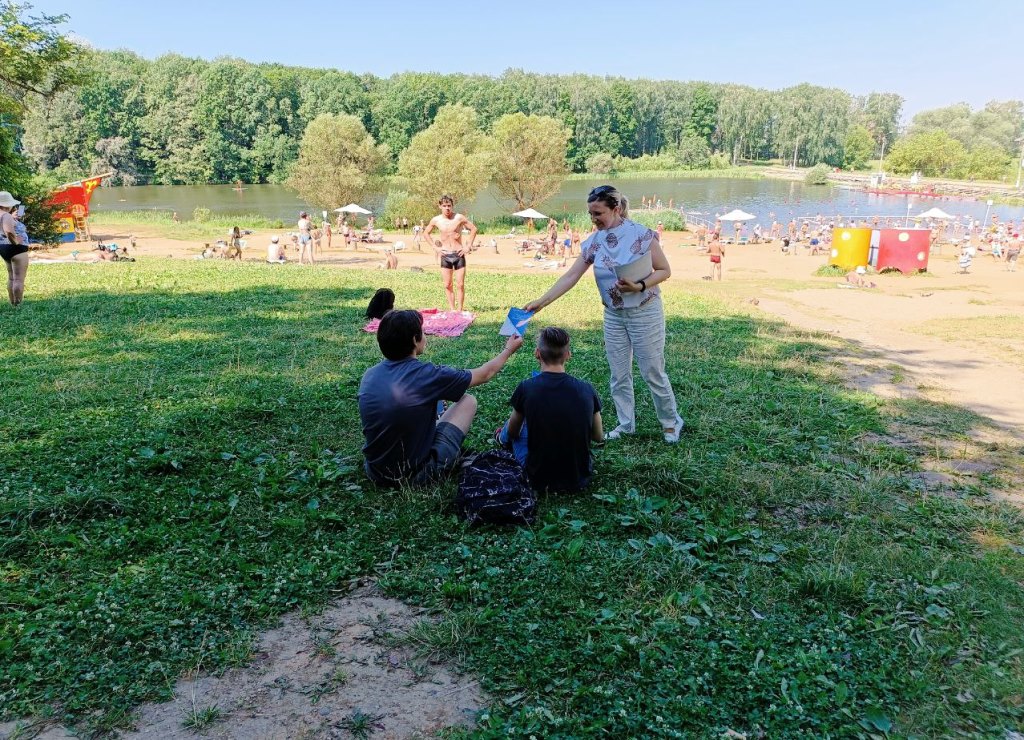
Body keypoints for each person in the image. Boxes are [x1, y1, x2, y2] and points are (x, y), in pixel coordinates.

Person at [524, 185, 684, 443]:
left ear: (616, 209)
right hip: (613, 315)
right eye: (590, 214)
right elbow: (571, 276)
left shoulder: (642, 235)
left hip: (645, 311)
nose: (593, 219)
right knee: (618, 373)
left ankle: (670, 423)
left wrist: (639, 285)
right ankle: (625, 424)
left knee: (652, 370)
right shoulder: (594, 243)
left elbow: (664, 270)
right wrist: (542, 301)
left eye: (598, 213)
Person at [358, 309, 523, 486]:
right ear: (415, 340)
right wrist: (508, 349)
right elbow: (484, 374)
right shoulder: (429, 375)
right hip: (415, 475)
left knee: (435, 401)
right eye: (422, 331)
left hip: (375, 471)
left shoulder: (370, 374)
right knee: (468, 401)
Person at [496, 327, 604, 492]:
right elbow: (598, 436)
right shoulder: (587, 389)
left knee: (518, 423)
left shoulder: (527, 388)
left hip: (537, 477)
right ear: (568, 355)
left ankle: (499, 437)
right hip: (578, 476)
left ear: (537, 353)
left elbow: (513, 432)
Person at [422, 195, 477, 312]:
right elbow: (426, 233)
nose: (447, 208)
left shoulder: (459, 218)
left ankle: (460, 309)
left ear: (452, 206)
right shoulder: (436, 220)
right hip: (445, 255)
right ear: (440, 206)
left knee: (460, 284)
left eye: (449, 206)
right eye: (444, 206)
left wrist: (468, 246)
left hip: (459, 255)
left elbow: (473, 229)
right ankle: (452, 309)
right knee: (447, 284)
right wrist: (435, 247)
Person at [0, 192, 29, 306]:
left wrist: (13, 218)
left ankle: (13, 303)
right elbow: (8, 231)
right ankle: (18, 304)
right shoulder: (5, 215)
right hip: (16, 248)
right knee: (18, 279)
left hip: (3, 247)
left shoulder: (4, 215)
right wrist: (16, 242)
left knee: (11, 277)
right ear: (6, 204)